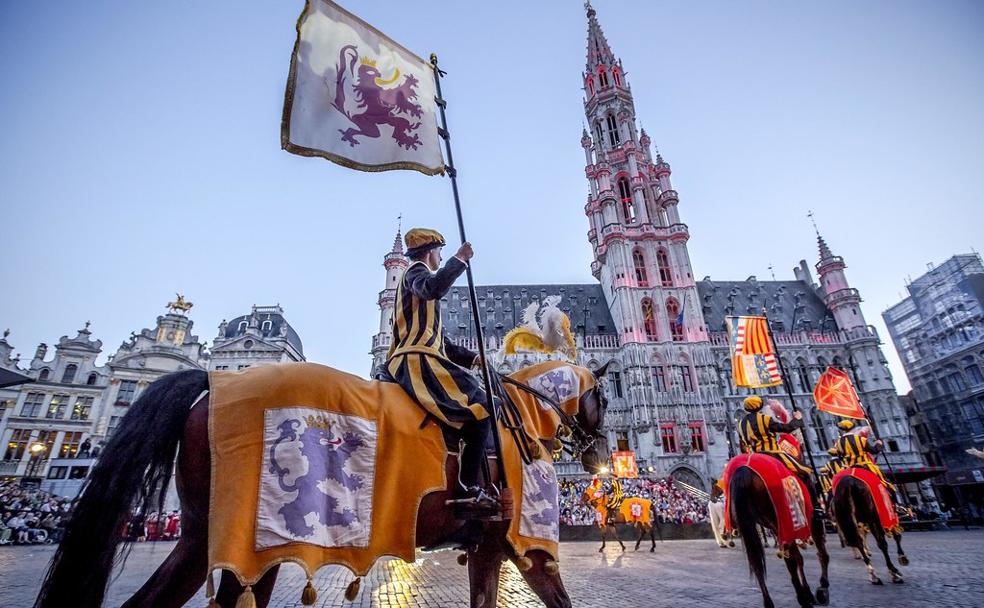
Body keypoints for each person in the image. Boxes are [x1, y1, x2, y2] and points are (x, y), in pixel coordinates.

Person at [384, 228, 498, 518]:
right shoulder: (415, 271)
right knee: (484, 406)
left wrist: (474, 359)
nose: (440, 257)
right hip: (416, 361)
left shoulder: (421, 295)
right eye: (439, 252)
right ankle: (468, 486)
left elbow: (441, 343)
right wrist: (459, 260)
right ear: (430, 252)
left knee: (471, 413)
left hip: (425, 356)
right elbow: (432, 287)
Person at [737, 395, 824, 519]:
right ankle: (815, 507)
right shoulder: (765, 419)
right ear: (760, 406)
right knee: (805, 472)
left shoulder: (740, 424)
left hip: (753, 457)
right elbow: (787, 428)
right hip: (773, 454)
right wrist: (797, 419)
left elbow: (743, 444)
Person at [833, 419, 896, 494]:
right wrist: (878, 443)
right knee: (884, 481)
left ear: (842, 430)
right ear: (852, 429)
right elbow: (874, 451)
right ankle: (891, 495)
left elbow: (840, 458)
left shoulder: (838, 443)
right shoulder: (861, 439)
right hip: (865, 465)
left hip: (849, 467)